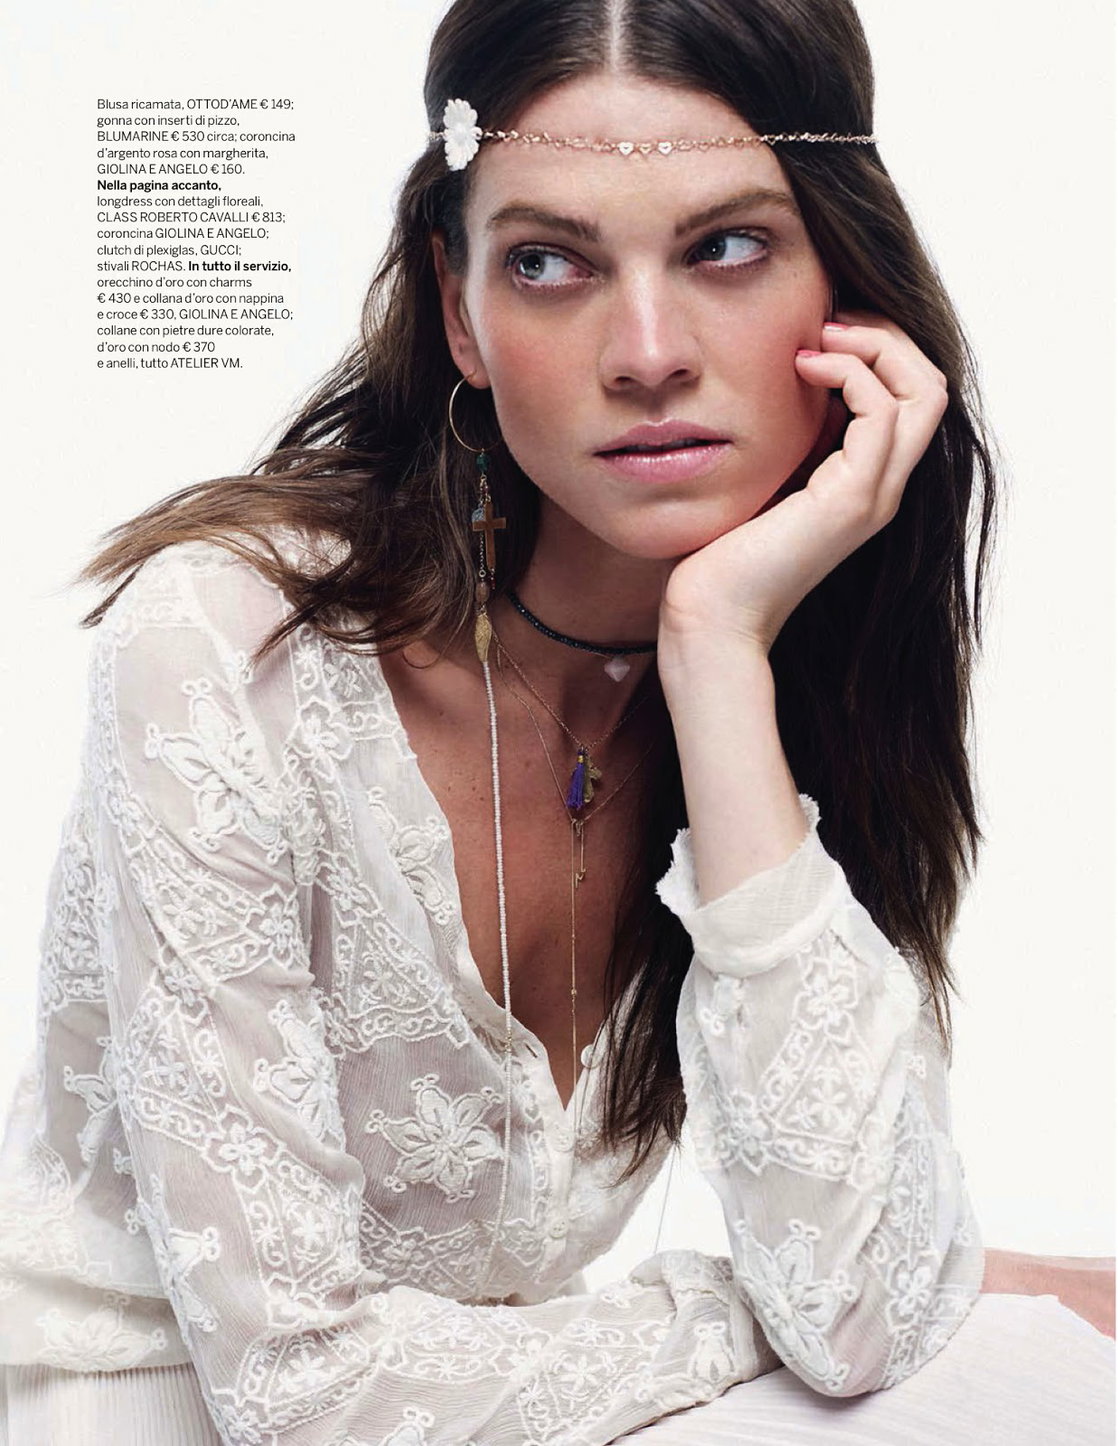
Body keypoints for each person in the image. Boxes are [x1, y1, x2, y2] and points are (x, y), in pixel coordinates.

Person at [0, 0, 1113, 1441]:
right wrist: (755, 1311)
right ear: (461, 313)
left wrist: (716, 650)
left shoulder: (789, 664)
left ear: (845, 281)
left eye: (725, 247)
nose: (646, 353)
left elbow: (847, 1313)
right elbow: (297, 1391)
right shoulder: (230, 643)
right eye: (547, 262)